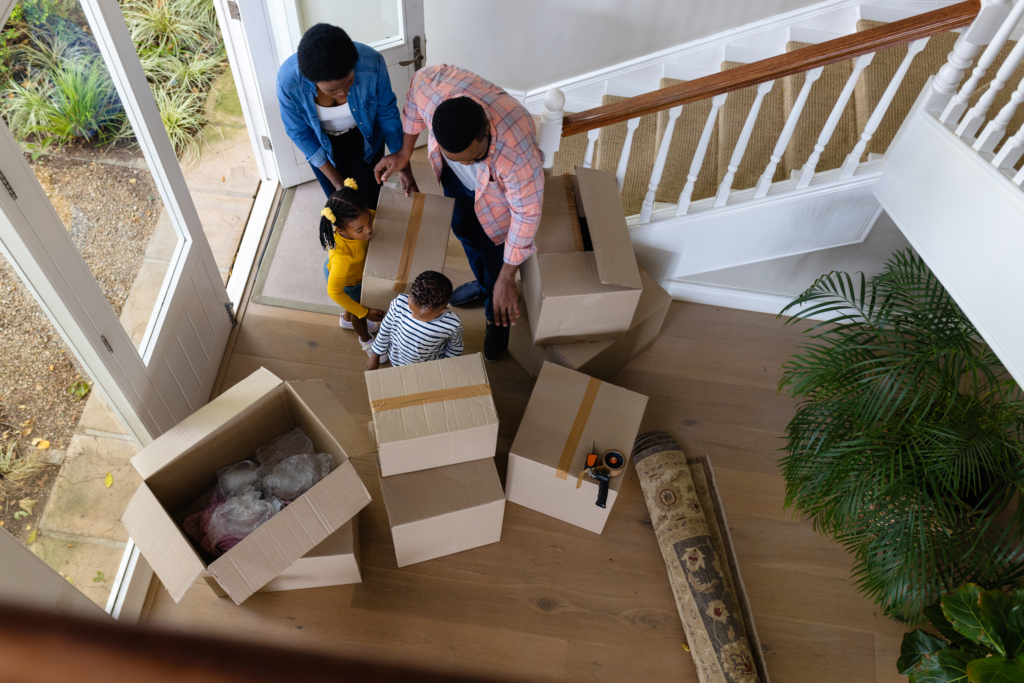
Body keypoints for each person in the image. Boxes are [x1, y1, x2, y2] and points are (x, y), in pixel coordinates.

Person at [373, 65, 544, 362]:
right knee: (464, 233)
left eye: (473, 159)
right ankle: (483, 283)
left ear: (485, 134)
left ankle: (494, 314)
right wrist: (404, 153)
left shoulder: (516, 154)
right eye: (458, 159)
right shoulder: (432, 88)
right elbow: (413, 94)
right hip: (457, 187)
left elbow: (527, 214)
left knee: (496, 261)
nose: (467, 165)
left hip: (499, 203)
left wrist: (507, 278)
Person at [276, 22, 417, 206]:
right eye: (332, 90)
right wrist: (337, 183)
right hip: (323, 144)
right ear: (312, 80)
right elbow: (299, 133)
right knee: (345, 207)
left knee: (372, 198)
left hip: (366, 136)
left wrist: (404, 166)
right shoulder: (288, 83)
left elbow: (387, 113)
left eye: (349, 81)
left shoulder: (372, 62)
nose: (343, 93)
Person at [320, 179, 386, 360]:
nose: (369, 230)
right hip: (348, 283)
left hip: (356, 273)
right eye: (360, 230)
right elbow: (334, 292)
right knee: (359, 310)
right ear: (341, 229)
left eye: (369, 221)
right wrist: (364, 312)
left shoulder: (363, 218)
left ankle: (346, 319)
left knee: (354, 306)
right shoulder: (342, 257)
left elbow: (373, 215)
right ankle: (365, 339)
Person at [367, 271, 463, 370]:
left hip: (426, 366)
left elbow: (455, 346)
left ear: (442, 311)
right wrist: (376, 354)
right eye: (410, 308)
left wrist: (444, 366)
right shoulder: (398, 303)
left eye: (421, 316)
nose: (413, 316)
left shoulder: (452, 324)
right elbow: (385, 329)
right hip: (396, 359)